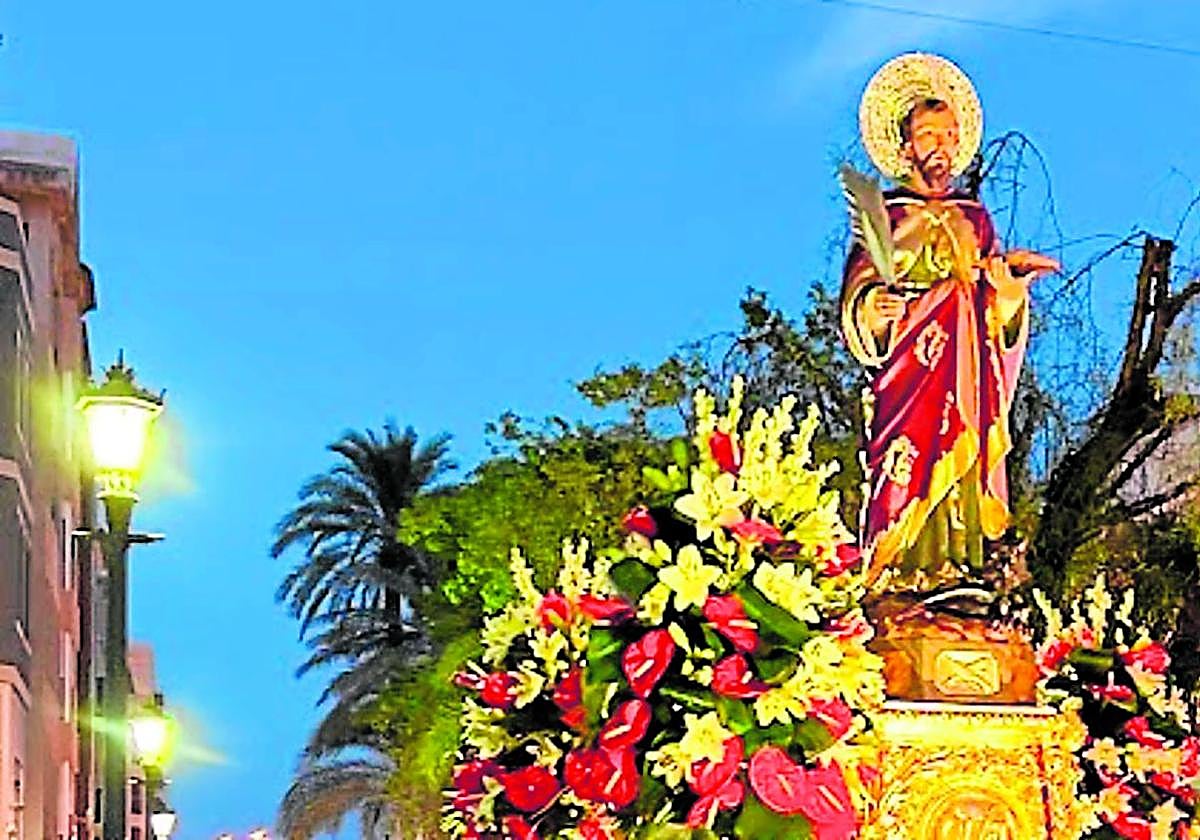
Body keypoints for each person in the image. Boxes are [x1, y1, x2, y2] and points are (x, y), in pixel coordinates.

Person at [840, 54, 1058, 594]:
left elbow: (994, 295)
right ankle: (899, 578)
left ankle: (962, 574)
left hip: (966, 372)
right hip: (911, 367)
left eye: (949, 133)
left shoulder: (974, 217)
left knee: (966, 467)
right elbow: (860, 289)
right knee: (904, 467)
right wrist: (873, 307)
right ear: (906, 144)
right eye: (928, 134)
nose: (940, 145)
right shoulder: (888, 215)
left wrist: (1007, 295)